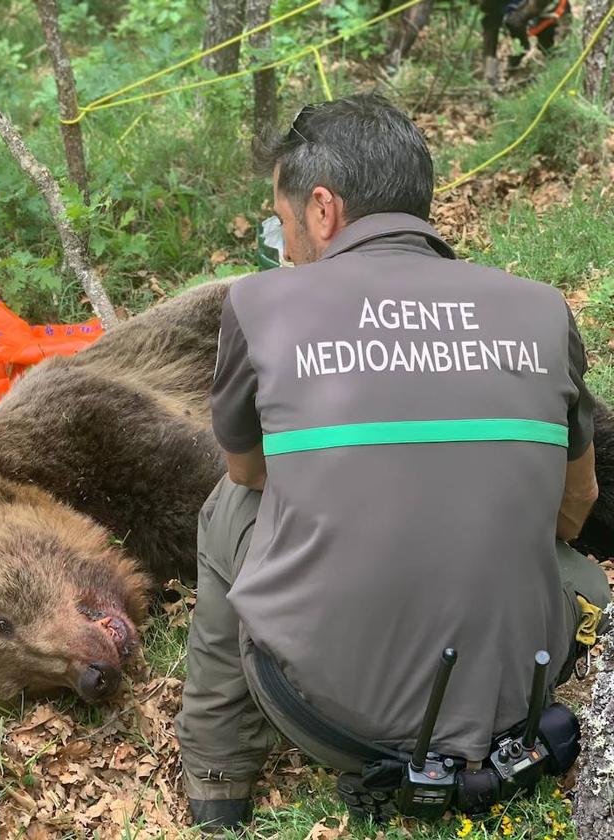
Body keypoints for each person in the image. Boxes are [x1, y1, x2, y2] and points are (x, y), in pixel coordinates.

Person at [175, 93, 609, 831]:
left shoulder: (258, 306)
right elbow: (575, 506)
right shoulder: (541, 310)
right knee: (562, 557)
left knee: (227, 510)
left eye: (281, 223)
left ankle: (218, 777)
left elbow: (247, 475)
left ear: (322, 209)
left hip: (329, 718)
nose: (283, 244)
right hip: (520, 699)